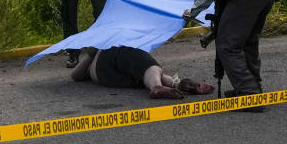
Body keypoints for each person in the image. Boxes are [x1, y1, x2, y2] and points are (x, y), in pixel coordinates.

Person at [69, 45, 214, 98]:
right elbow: (75, 75)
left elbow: (75, 75)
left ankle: (175, 84)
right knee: (139, 59)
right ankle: (159, 86)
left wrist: (91, 52)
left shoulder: (94, 55)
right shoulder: (101, 50)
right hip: (107, 60)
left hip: (113, 78)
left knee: (143, 75)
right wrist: (93, 51)